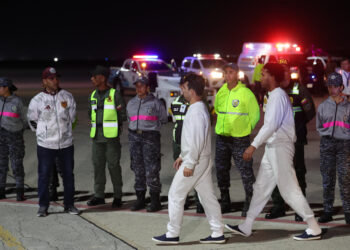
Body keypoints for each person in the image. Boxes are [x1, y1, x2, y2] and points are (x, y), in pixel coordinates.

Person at [225, 63, 322, 241]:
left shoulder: (277, 96)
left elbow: (271, 126)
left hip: (280, 147)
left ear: (272, 76)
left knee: (289, 189)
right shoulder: (273, 96)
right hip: (272, 147)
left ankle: (313, 226)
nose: (260, 78)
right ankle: (246, 225)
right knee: (261, 188)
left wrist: (253, 145)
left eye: (263, 74)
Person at [152, 73, 225, 244]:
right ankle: (217, 232)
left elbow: (197, 141)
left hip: (196, 161)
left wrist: (189, 163)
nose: (181, 90)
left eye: (183, 88)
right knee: (207, 197)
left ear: (191, 91)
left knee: (175, 194)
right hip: (200, 159)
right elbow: (191, 139)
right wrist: (182, 155)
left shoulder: (197, 111)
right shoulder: (197, 108)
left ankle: (172, 234)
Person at [265, 59, 316, 222]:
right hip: (276, 141)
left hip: (295, 140)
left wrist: (296, 127)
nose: (284, 73)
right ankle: (279, 206)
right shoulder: (273, 92)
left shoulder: (298, 89)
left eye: (286, 69)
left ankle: (299, 209)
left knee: (298, 174)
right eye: (281, 70)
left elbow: (310, 113)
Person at [28, 67, 81, 217]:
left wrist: (65, 133)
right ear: (44, 81)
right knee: (44, 175)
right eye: (51, 78)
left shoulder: (67, 97)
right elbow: (32, 121)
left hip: (65, 144)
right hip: (46, 145)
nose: (55, 81)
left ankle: (69, 205)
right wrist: (45, 133)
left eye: (56, 78)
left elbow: (73, 118)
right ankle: (43, 206)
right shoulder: (37, 100)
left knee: (68, 175)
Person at [215, 63, 260, 215]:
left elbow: (255, 115)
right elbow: (217, 110)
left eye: (231, 72)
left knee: (245, 171)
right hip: (222, 138)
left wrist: (245, 129)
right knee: (221, 170)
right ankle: (225, 199)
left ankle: (250, 201)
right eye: (226, 72)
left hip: (239, 139)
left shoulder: (245, 93)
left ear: (237, 74)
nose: (228, 75)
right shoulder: (221, 91)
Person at [87, 66, 126, 208]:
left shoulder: (115, 94)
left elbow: (122, 115)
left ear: (102, 78)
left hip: (111, 139)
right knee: (98, 167)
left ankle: (117, 196)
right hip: (97, 138)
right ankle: (99, 195)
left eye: (94, 76)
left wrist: (114, 128)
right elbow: (89, 113)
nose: (92, 79)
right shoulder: (92, 95)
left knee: (113, 166)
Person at [127, 77, 167, 212]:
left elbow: (163, 119)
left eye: (142, 86)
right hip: (134, 137)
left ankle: (155, 201)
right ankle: (140, 199)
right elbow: (129, 119)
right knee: (137, 169)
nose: (139, 89)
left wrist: (150, 128)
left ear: (148, 87)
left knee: (152, 169)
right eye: (137, 86)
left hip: (150, 137)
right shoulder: (131, 103)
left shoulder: (156, 103)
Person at [316, 72, 350, 224]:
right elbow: (319, 126)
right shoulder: (323, 106)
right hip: (327, 144)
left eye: (335, 86)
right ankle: (328, 210)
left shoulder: (348, 106)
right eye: (330, 86)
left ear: (341, 87)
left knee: (345, 179)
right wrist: (328, 133)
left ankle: (348, 211)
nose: (332, 89)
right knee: (327, 179)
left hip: (344, 145)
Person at [170, 75, 204, 213]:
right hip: (178, 143)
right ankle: (184, 200)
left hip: (191, 146)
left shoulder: (196, 105)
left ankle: (198, 202)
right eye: (181, 86)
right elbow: (175, 121)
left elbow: (197, 133)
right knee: (181, 174)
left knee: (194, 174)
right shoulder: (175, 102)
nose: (181, 89)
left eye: (184, 86)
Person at [0, 78, 27, 201]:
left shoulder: (17, 102)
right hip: (1, 136)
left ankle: (20, 191)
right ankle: (1, 190)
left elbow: (25, 120)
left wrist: (18, 132)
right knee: (1, 165)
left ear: (6, 88)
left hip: (14, 136)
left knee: (16, 164)